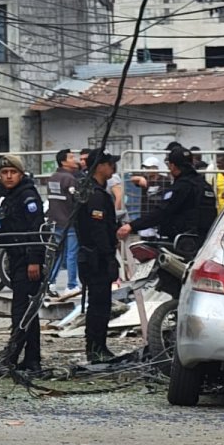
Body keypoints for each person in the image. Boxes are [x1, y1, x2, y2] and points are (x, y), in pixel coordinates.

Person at [0, 155, 45, 372]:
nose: (8, 176)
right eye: (4, 173)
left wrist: (34, 260)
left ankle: (12, 357)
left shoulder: (27, 197)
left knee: (21, 311)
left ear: (20, 174)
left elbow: (36, 230)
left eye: (13, 172)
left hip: (27, 260)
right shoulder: (7, 197)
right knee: (27, 313)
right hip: (14, 259)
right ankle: (31, 359)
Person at [119, 147, 218, 249]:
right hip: (206, 242)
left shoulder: (181, 187)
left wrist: (132, 226)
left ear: (172, 166)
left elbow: (162, 212)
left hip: (182, 243)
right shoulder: (205, 185)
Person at [76, 151, 122, 363]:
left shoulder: (93, 191)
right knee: (98, 306)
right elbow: (97, 230)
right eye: (109, 164)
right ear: (100, 166)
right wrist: (109, 257)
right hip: (96, 258)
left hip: (95, 256)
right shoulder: (94, 194)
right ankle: (95, 349)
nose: (113, 167)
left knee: (101, 305)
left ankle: (99, 346)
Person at [45, 149, 80, 294]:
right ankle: (71, 285)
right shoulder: (70, 179)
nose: (75, 159)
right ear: (63, 161)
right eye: (71, 157)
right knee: (72, 254)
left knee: (57, 253)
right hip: (69, 222)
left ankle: (50, 282)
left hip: (56, 221)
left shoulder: (52, 178)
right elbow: (75, 201)